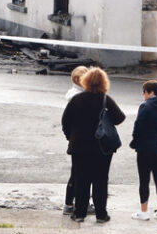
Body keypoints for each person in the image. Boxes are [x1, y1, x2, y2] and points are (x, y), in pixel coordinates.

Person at [61, 67, 125, 223]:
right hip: (101, 147)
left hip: (79, 146)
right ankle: (101, 214)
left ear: (85, 81)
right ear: (104, 83)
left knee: (81, 180)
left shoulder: (76, 99)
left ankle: (79, 213)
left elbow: (65, 121)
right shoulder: (105, 99)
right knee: (100, 180)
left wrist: (71, 137)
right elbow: (120, 118)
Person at [131, 80, 157, 221]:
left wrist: (134, 141)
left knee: (144, 180)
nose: (143, 95)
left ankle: (144, 211)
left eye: (144, 92)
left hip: (146, 146)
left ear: (151, 92)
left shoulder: (145, 106)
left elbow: (138, 126)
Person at [62, 65, 89, 215]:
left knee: (76, 172)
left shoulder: (73, 95)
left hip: (75, 140)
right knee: (81, 174)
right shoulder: (79, 97)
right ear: (80, 80)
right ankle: (74, 204)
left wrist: (69, 136)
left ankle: (70, 203)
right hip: (82, 140)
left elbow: (66, 122)